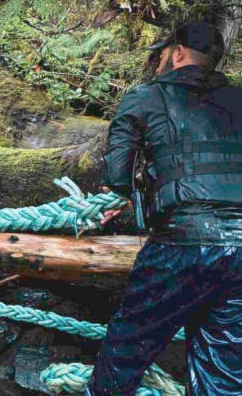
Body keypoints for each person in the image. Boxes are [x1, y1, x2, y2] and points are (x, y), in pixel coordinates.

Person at [89, 22, 242, 395]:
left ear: (177, 53)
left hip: (182, 245)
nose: (157, 60)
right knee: (223, 372)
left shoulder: (145, 97)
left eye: (161, 53)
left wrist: (122, 194)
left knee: (125, 352)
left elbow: (117, 174)